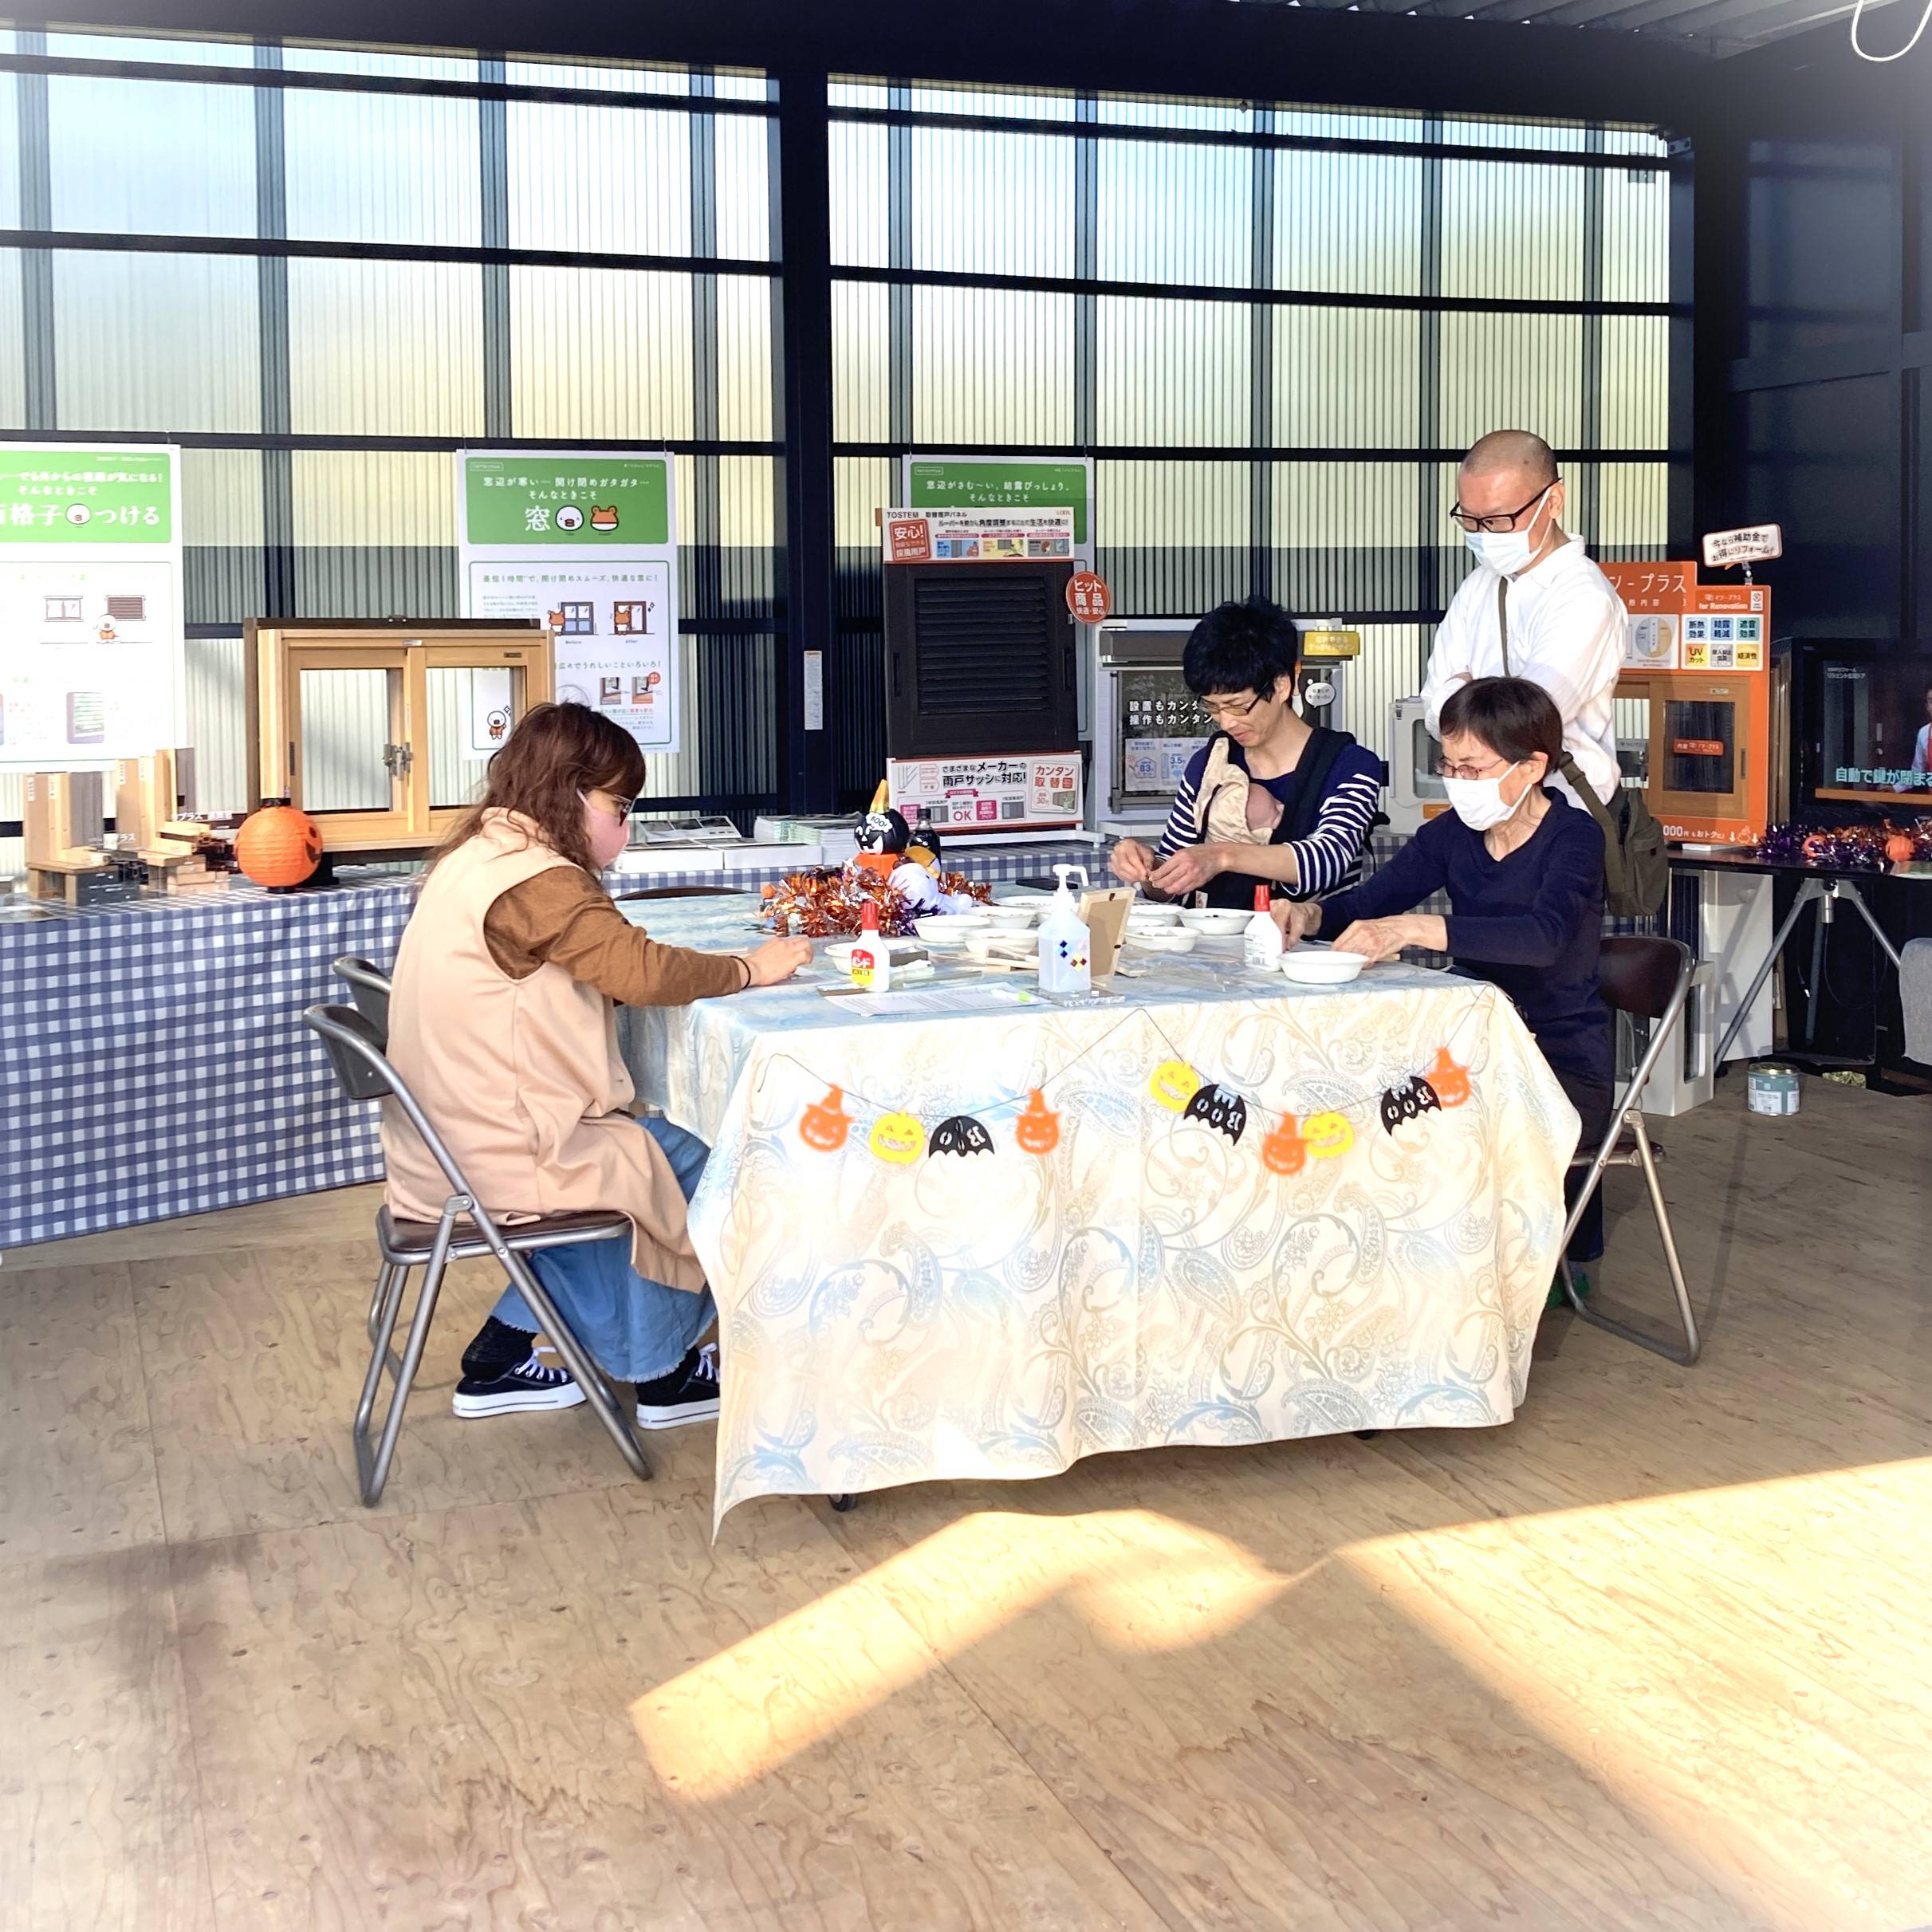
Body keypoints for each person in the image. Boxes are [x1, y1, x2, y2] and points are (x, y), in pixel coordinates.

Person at [381, 702, 812, 1426]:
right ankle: (663, 1370)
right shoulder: (536, 880)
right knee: (709, 1159)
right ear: (571, 792)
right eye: (621, 804)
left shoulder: (481, 855)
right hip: (505, 1150)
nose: (627, 823)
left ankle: (507, 1344)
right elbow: (638, 972)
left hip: (445, 1142)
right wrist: (748, 969)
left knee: (646, 1154)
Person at [1275, 676, 1611, 1283]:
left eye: (1474, 767)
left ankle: (1484, 1278)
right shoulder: (1453, 832)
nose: (1457, 780)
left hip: (1555, 1062)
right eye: (1448, 763)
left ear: (1531, 766)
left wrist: (1419, 930)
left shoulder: (1575, 837)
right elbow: (1376, 897)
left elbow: (1544, 938)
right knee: (1361, 1107)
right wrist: (1310, 913)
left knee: (1431, 1129)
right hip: (1469, 1049)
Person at [1110, 597, 1383, 907]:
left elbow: (1328, 861)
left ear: (1283, 685)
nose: (1226, 722)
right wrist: (1150, 872)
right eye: (1212, 707)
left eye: (1238, 707)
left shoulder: (1349, 765)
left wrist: (1222, 855)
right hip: (1213, 951)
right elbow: (1175, 887)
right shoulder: (1207, 766)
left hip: (1309, 950)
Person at [1422, 431, 1626, 812]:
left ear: (1554, 501)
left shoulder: (1583, 596)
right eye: (1469, 519)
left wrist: (1460, 689)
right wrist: (1455, 697)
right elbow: (1434, 710)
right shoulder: (1479, 584)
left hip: (1563, 813)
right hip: (1482, 808)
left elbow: (1521, 728)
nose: (1483, 535)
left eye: (1499, 520)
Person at [1895, 683, 1932, 792]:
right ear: (1927, 707)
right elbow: (1917, 772)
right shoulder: (1924, 733)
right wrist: (1895, 789)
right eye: (1931, 701)